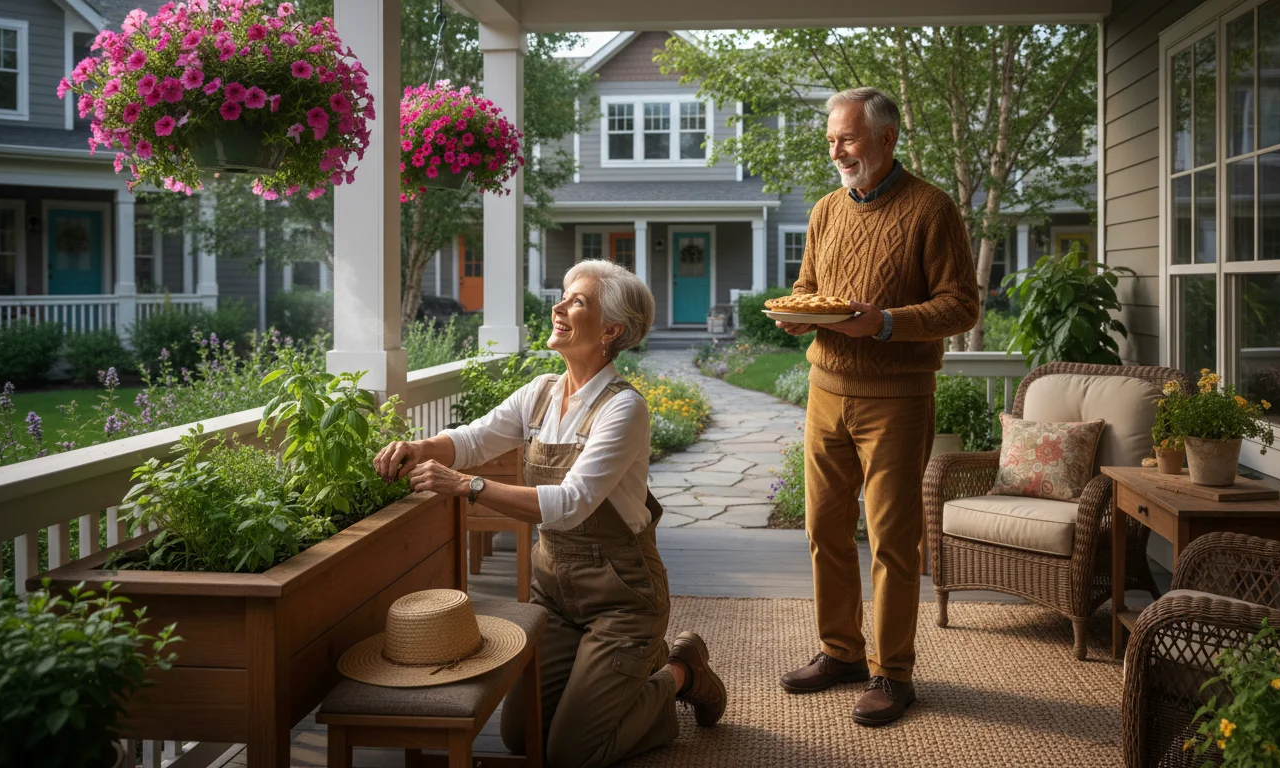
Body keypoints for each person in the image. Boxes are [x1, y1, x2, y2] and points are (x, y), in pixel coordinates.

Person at [373, 259, 725, 768]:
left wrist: (467, 486)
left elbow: (570, 503)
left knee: (570, 754)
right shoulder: (540, 392)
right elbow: (474, 438)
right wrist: (420, 445)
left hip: (623, 597)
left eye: (576, 301)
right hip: (555, 593)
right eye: (562, 296)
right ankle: (625, 675)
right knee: (522, 737)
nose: (558, 307)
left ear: (610, 330)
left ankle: (680, 672)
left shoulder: (623, 408)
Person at [774, 86, 980, 727]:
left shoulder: (933, 209)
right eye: (831, 139)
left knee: (893, 540)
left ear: (886, 139)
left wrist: (886, 322)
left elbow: (960, 305)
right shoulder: (825, 210)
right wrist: (798, 313)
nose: (836, 150)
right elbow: (810, 286)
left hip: (897, 400)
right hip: (824, 392)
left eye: (848, 139)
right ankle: (840, 653)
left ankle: (894, 674)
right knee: (823, 532)